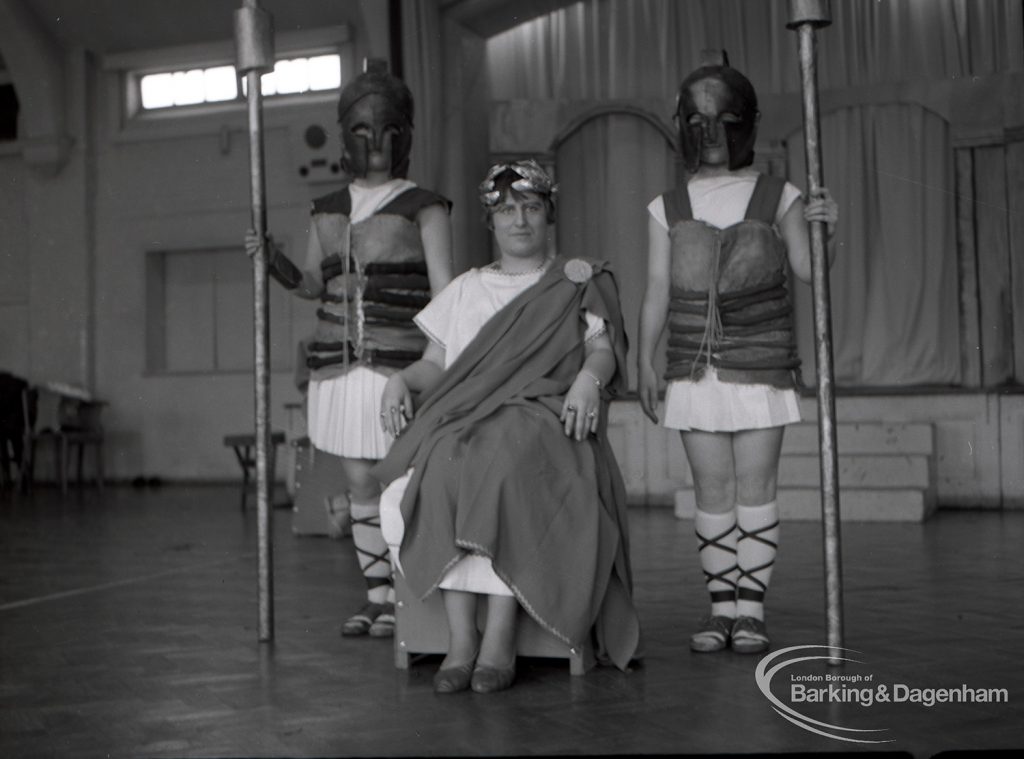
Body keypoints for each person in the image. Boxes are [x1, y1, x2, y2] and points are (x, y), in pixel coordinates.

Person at [372, 160, 641, 694]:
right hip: (467, 417)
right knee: (444, 462)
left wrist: (589, 379)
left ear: (550, 215)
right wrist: (400, 379)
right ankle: (460, 639)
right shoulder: (467, 288)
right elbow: (436, 364)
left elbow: (602, 350)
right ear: (489, 222)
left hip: (542, 418)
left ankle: (497, 639)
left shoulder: (575, 281)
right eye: (507, 210)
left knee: (502, 458)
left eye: (532, 208)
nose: (520, 220)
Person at [636, 54, 838, 655]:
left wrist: (827, 228)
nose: (713, 134)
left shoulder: (781, 194)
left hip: (762, 364)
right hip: (691, 369)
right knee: (712, 492)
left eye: (725, 120)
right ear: (683, 126)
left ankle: (751, 611)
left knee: (756, 487)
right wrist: (643, 360)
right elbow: (656, 292)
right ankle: (720, 607)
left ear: (746, 122)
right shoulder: (664, 207)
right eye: (698, 121)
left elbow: (809, 272)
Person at [246, 60, 453, 639]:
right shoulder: (327, 209)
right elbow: (314, 283)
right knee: (360, 482)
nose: (377, 143)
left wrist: (438, 368)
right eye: (363, 131)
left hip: (399, 365)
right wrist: (275, 262)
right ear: (344, 136)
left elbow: (447, 296)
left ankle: (412, 593)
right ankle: (378, 596)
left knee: (399, 479)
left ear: (406, 134)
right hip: (335, 369)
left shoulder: (425, 206)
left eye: (389, 130)